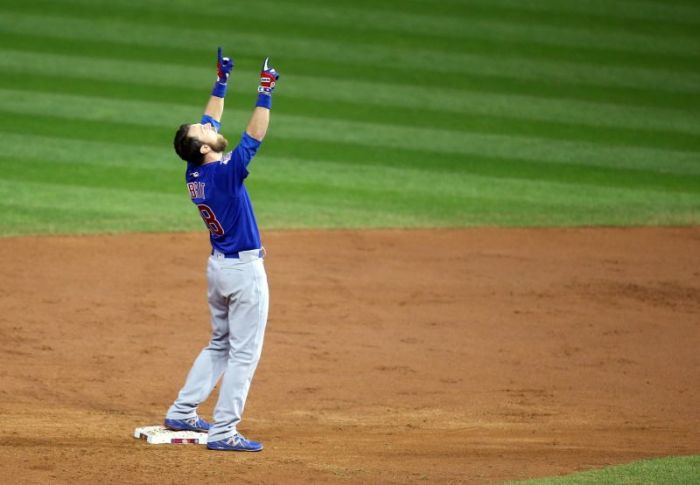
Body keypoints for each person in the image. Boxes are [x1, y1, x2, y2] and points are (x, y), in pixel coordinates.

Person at [164, 47, 279, 452]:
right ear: (204, 148)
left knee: (220, 343)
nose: (211, 125)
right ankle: (224, 431)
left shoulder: (196, 171)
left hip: (218, 270)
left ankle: (182, 410)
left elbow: (213, 118)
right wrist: (265, 90)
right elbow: (254, 137)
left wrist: (222, 81)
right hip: (244, 274)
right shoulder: (227, 174)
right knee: (243, 355)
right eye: (204, 130)